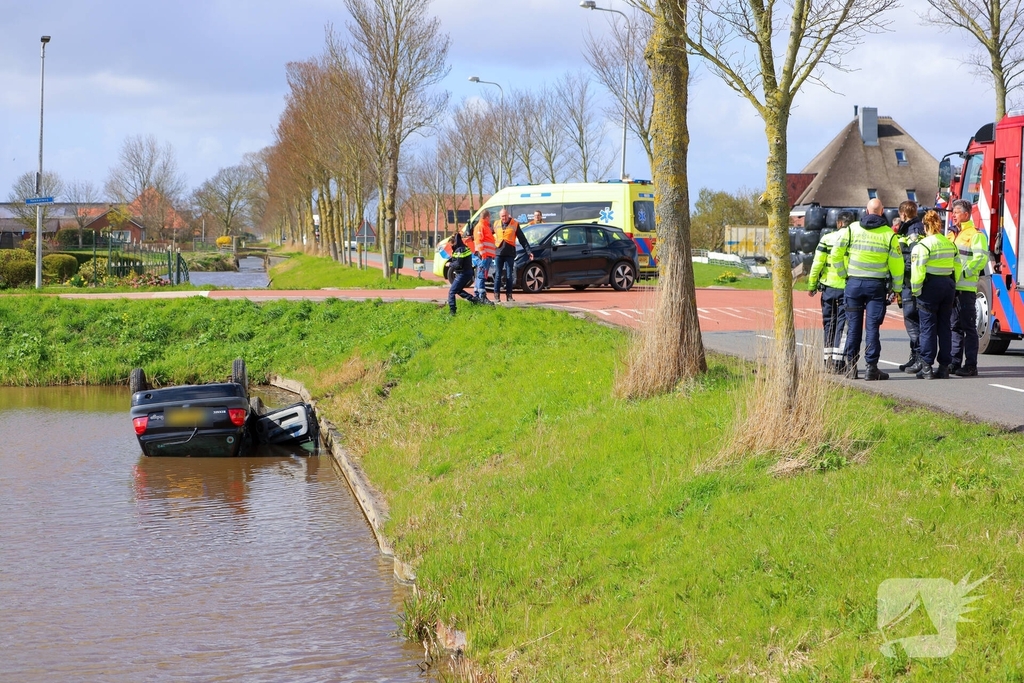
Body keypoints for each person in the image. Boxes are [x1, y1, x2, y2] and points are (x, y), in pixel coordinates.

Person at [829, 198, 904, 380]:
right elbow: (897, 265)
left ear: (866, 210)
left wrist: (843, 273)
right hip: (876, 287)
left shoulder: (851, 229)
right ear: (882, 211)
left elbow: (836, 253)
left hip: (854, 284)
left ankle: (851, 367)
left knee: (853, 326)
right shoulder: (889, 235)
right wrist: (897, 287)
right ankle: (871, 367)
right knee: (872, 328)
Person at [910, 210, 960, 379]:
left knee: (928, 328)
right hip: (948, 286)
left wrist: (916, 291)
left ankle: (926, 367)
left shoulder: (923, 246)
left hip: (930, 287)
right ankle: (944, 367)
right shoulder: (949, 244)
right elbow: (957, 267)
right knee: (945, 327)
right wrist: (954, 284)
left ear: (925, 226)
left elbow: (918, 271)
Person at [946, 199, 988, 376]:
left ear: (965, 214)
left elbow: (981, 258)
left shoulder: (975, 235)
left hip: (966, 289)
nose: (953, 215)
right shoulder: (951, 234)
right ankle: (955, 363)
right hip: (951, 289)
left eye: (956, 212)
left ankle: (971, 365)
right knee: (954, 326)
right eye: (953, 212)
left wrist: (963, 273)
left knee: (968, 327)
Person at [808, 211, 853, 373]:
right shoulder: (853, 240)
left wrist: (812, 284)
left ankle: (827, 361)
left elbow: (817, 264)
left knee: (829, 323)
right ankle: (838, 362)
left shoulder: (826, 239)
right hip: (847, 288)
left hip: (828, 288)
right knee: (843, 325)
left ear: (839, 223)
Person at [892, 201, 926, 373]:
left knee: (912, 319)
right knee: (912, 319)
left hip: (911, 281)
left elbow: (912, 257)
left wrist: (901, 272)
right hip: (911, 281)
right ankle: (915, 356)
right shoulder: (913, 227)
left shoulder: (913, 230)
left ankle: (920, 358)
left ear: (904, 214)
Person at [492, 207, 532, 303]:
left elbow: (522, 239)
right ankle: (496, 295)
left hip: (510, 253)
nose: (504, 218)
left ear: (508, 215)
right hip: (498, 253)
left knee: (509, 275)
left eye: (505, 216)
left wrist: (528, 251)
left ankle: (509, 296)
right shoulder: (496, 224)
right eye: (502, 216)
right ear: (499, 216)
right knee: (498, 275)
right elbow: (489, 236)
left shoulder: (514, 224)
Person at [445, 231, 482, 314]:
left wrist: (450, 264)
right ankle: (474, 300)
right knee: (458, 290)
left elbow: (458, 264)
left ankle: (452, 311)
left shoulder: (459, 250)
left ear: (455, 242)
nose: (451, 246)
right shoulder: (464, 248)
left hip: (463, 274)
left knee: (451, 292)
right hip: (467, 273)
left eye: (451, 244)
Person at [472, 211, 496, 304]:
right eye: (489, 217)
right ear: (487, 217)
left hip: (486, 255)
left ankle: (477, 296)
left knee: (481, 275)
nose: (490, 219)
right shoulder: (481, 226)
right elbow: (478, 241)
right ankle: (481, 296)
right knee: (482, 275)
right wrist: (483, 254)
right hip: (484, 256)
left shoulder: (485, 226)